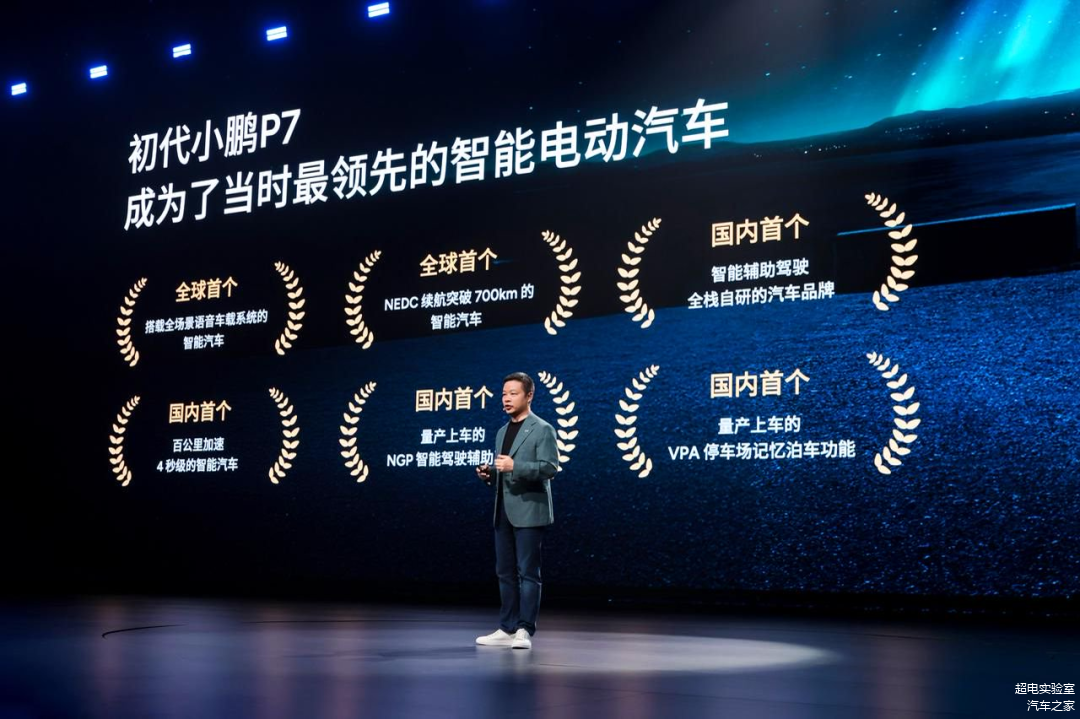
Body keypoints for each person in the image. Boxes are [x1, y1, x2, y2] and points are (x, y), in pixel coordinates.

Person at [474, 372, 559, 650]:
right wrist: (490, 474)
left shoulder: (543, 429)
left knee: (528, 573)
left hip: (530, 510)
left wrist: (515, 467)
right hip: (503, 510)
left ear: (529, 396)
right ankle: (507, 628)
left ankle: (524, 629)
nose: (506, 399)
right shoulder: (502, 432)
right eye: (503, 394)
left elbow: (550, 468)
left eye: (513, 393)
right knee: (504, 572)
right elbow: (504, 472)